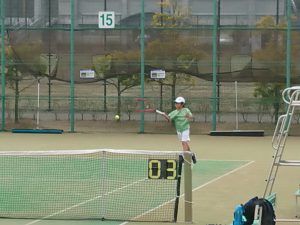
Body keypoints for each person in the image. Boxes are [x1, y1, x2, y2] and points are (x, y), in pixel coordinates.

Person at [160, 96, 196, 163]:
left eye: (178, 103)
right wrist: (164, 115)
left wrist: (189, 117)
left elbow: (192, 117)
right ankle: (191, 155)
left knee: (184, 142)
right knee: (184, 143)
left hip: (185, 128)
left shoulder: (186, 110)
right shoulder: (174, 112)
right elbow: (169, 119)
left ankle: (185, 157)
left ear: (182, 104)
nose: (176, 104)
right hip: (179, 130)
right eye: (175, 103)